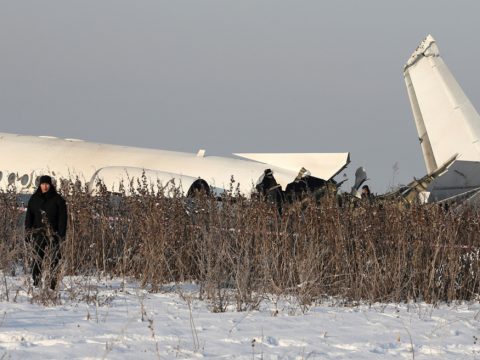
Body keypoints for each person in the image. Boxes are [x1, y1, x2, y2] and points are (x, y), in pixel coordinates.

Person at [25, 175, 67, 289]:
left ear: (50, 185)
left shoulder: (58, 199)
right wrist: (28, 233)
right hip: (39, 233)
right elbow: (29, 217)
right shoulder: (34, 199)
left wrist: (61, 235)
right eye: (43, 184)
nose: (45, 186)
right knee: (37, 259)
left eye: (47, 184)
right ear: (40, 185)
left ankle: (52, 284)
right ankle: (36, 283)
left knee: (55, 259)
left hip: (54, 234)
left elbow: (63, 218)